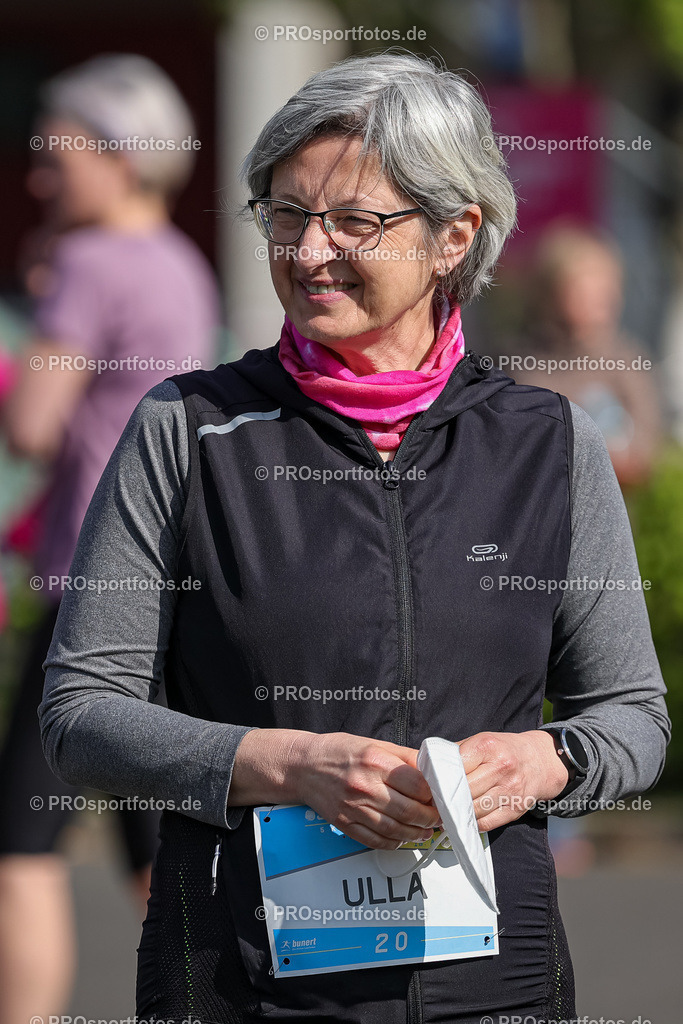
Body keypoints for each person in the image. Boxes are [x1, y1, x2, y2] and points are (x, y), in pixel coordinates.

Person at [39, 53, 669, 1023]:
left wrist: (541, 763)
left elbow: (631, 715)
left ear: (453, 236)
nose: (307, 251)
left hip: (494, 994)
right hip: (238, 989)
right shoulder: (188, 430)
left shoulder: (548, 444)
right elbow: (81, 714)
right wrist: (286, 764)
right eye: (285, 214)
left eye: (353, 222)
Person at [0, 54, 219, 1022]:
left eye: (57, 158)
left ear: (120, 157)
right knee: (156, 847)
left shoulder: (87, 266)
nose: (39, 177)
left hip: (87, 583)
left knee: (18, 844)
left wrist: (43, 299)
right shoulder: (182, 262)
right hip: (173, 580)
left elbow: (30, 428)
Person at [509, 223, 662, 488]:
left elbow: (644, 448)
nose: (598, 299)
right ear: (552, 294)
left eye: (606, 288)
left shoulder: (627, 362)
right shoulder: (528, 365)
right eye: (583, 288)